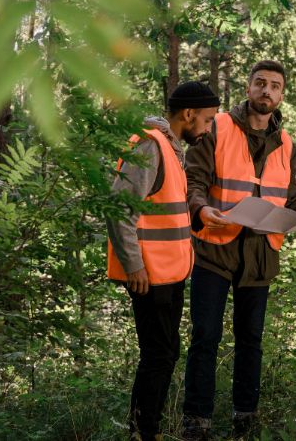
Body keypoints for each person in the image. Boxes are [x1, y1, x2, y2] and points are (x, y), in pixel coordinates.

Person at [182, 60, 296, 438]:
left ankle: (245, 417)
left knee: (250, 339)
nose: (266, 91)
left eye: (274, 86)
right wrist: (202, 209)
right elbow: (194, 182)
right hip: (214, 248)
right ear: (248, 87)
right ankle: (196, 421)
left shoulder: (287, 144)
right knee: (205, 335)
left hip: (261, 254)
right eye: (260, 83)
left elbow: (294, 199)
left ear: (282, 94)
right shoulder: (216, 127)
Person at [106, 82, 220, 440]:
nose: (207, 128)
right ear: (188, 114)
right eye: (207, 120)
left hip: (169, 273)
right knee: (158, 355)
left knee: (166, 352)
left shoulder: (169, 148)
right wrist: (134, 265)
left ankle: (145, 428)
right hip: (149, 275)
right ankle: (143, 432)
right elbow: (119, 208)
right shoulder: (150, 145)